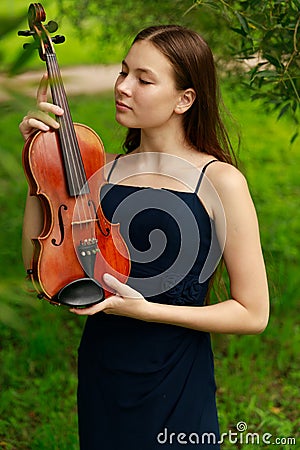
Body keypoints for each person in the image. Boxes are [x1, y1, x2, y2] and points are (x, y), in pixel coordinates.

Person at [20, 25, 269, 449]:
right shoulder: (102, 169)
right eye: (123, 72)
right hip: (104, 367)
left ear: (184, 100)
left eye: (144, 79)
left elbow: (252, 313)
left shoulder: (219, 181)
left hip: (176, 375)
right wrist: (37, 166)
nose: (123, 87)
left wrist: (148, 311)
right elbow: (36, 264)